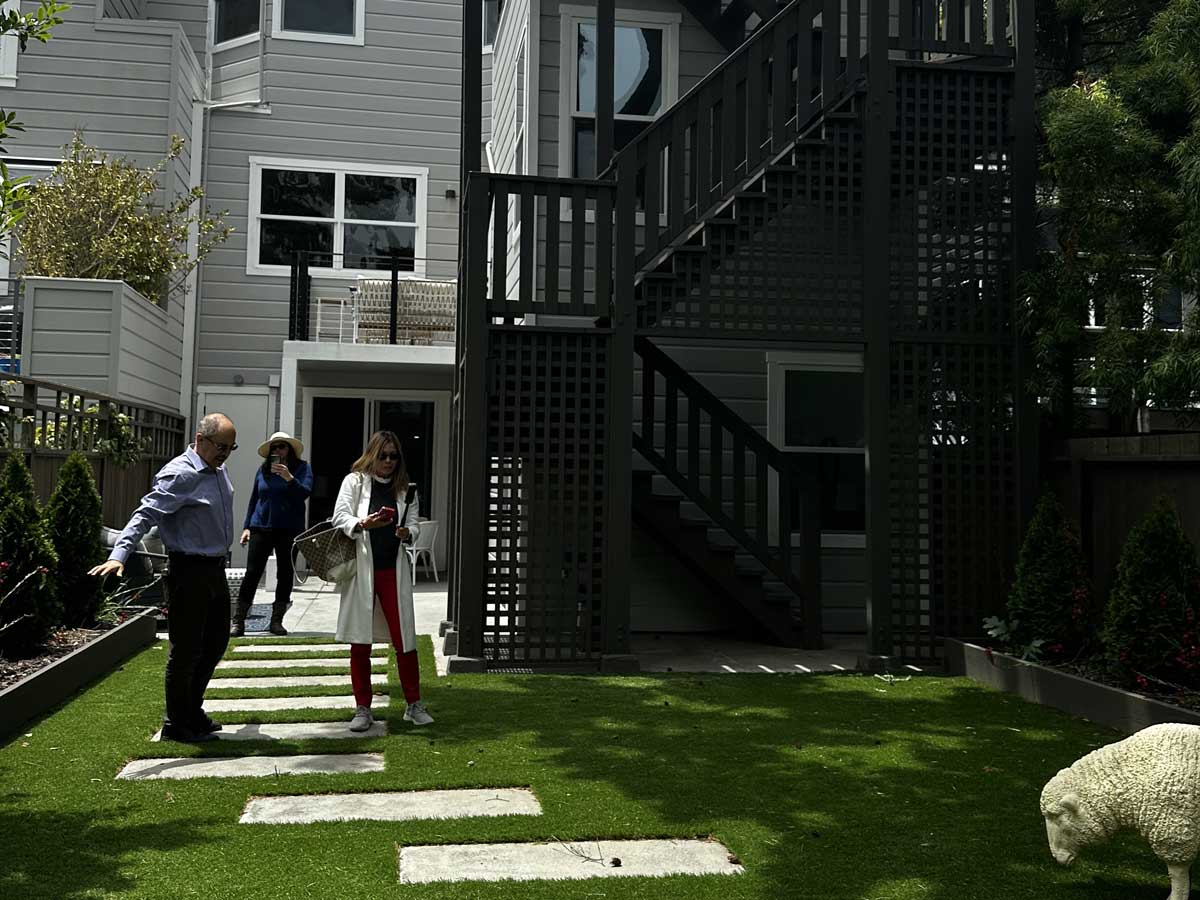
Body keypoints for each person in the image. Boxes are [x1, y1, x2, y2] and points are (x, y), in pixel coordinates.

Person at [89, 413, 238, 743]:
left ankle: (192, 711)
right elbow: (144, 515)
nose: (226, 454)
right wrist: (118, 556)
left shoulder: (218, 469)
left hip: (215, 569)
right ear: (200, 440)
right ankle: (176, 724)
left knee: (215, 644)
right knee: (186, 650)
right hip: (188, 570)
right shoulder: (179, 474)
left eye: (231, 447)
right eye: (221, 447)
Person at [331, 430, 433, 731]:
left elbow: (413, 524)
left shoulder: (405, 489)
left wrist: (408, 532)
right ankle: (362, 707)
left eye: (393, 456)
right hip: (362, 570)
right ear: (372, 454)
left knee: (405, 639)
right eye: (383, 455)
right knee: (360, 641)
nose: (388, 461)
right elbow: (339, 517)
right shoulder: (354, 482)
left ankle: (413, 703)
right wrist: (363, 523)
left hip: (392, 570)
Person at [231, 431, 313, 637]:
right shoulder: (263, 470)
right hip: (261, 526)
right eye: (274, 448)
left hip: (289, 529)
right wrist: (247, 527)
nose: (278, 450)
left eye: (282, 446)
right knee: (252, 573)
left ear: (290, 450)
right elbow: (254, 499)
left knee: (285, 574)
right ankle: (238, 620)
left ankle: (276, 621)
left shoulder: (302, 468)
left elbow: (304, 493)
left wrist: (289, 478)